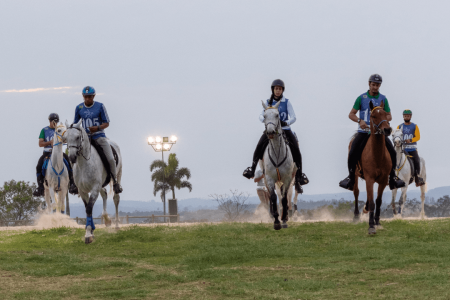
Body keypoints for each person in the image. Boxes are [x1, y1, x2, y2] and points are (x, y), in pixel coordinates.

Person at [339, 74, 405, 191]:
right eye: (373, 84)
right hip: (364, 131)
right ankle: (351, 179)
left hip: (379, 133)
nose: (375, 87)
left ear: (380, 86)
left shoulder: (383, 99)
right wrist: (360, 121)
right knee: (353, 152)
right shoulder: (361, 98)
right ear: (369, 84)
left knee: (392, 152)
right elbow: (351, 114)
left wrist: (384, 120)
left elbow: (389, 115)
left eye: (377, 85)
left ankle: (393, 178)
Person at [243, 79, 309, 193]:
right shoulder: (268, 102)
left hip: (285, 130)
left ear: (282, 90)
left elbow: (294, 117)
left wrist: (286, 123)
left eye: (279, 89)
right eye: (276, 89)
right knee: (258, 147)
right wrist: (264, 119)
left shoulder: (286, 102)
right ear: (273, 90)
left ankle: (299, 177)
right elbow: (260, 115)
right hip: (271, 130)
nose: (277, 91)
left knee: (296, 151)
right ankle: (251, 169)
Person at [73, 86, 123, 194]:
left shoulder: (100, 106)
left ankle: (115, 182)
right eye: (85, 97)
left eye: (90, 97)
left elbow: (106, 123)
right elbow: (76, 125)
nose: (87, 99)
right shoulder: (79, 108)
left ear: (93, 96)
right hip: (85, 139)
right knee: (73, 158)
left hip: (99, 137)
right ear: (83, 96)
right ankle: (74, 183)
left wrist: (97, 128)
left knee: (110, 158)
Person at [33, 113, 78, 197]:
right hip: (48, 152)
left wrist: (65, 140)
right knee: (39, 165)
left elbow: (65, 139)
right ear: (50, 121)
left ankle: (72, 184)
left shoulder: (60, 129)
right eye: (53, 121)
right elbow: (40, 143)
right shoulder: (44, 130)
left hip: (58, 152)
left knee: (68, 163)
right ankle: (40, 187)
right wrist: (49, 142)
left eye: (56, 121)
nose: (55, 123)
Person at [397, 110, 425, 186]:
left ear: (410, 116)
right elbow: (397, 136)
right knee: (394, 159)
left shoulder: (415, 126)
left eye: (408, 116)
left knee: (417, 160)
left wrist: (411, 140)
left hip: (412, 148)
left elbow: (418, 137)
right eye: (405, 116)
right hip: (403, 149)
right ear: (403, 116)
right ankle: (392, 177)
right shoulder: (399, 127)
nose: (406, 117)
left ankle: (418, 178)